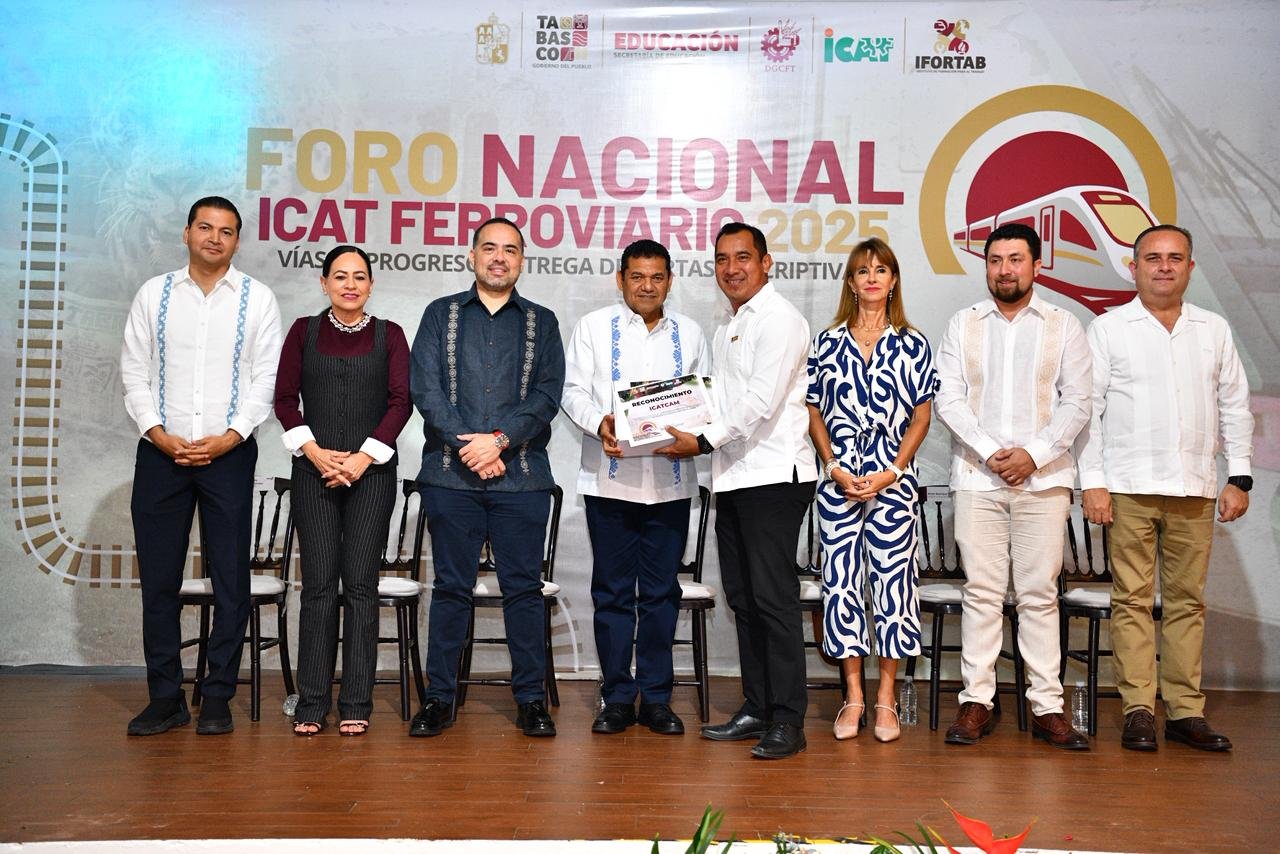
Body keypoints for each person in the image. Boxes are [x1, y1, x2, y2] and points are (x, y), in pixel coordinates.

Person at [1076, 224, 1252, 752]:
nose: (1164, 267)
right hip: (1128, 485)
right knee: (1131, 601)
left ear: (1191, 267)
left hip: (1195, 486)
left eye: (1175, 258)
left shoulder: (1213, 329)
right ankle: (1137, 709)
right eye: (1153, 258)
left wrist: (1239, 476)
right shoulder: (1108, 329)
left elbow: (1235, 405)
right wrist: (1093, 483)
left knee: (1186, 603)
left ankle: (1185, 711)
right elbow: (1088, 412)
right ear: (1133, 268)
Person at [120, 196, 283, 736]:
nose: (215, 238)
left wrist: (228, 438)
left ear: (237, 241)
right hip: (160, 455)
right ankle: (165, 698)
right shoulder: (154, 294)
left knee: (231, 582)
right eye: (206, 227)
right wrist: (159, 434)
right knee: (160, 582)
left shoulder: (258, 299)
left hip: (228, 457)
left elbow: (265, 380)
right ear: (187, 233)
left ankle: (217, 697)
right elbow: (134, 371)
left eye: (227, 231)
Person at [934, 221, 1091, 750]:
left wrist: (1033, 456)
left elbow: (1078, 402)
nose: (1005, 270)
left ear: (1037, 265)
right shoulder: (963, 324)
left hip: (1043, 482)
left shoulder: (1064, 325)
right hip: (977, 478)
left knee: (1039, 595)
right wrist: (991, 453)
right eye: (996, 260)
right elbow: (948, 398)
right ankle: (977, 700)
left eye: (1015, 259)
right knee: (980, 591)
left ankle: (1047, 706)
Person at [662, 222, 816, 759]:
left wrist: (701, 441)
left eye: (743, 257)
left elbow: (759, 403)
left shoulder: (779, 319)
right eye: (722, 259)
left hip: (772, 478)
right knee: (744, 600)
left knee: (773, 600)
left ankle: (788, 720)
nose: (732, 268)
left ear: (766, 263)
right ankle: (759, 706)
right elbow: (714, 401)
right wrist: (664, 423)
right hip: (732, 477)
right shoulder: (730, 324)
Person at [408, 217, 565, 738]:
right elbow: (426, 390)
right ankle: (439, 700)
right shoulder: (440, 315)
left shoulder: (543, 322)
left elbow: (547, 396)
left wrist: (497, 441)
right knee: (451, 589)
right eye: (490, 248)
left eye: (511, 250)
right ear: (471, 256)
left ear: (522, 261)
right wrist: (471, 447)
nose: (500, 258)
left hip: (521, 478)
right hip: (450, 479)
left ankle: (531, 702)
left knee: (523, 592)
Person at [562, 239, 711, 736]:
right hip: (610, 483)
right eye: (637, 276)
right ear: (621, 278)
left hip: (670, 485)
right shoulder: (593, 327)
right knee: (612, 593)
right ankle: (617, 697)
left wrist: (693, 435)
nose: (647, 286)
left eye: (657, 277)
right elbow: (572, 392)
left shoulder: (690, 333)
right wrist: (598, 422)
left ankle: (658, 699)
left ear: (670, 280)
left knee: (661, 594)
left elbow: (704, 396)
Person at [273, 245, 411, 736]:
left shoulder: (390, 335)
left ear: (371, 285)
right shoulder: (303, 331)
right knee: (317, 586)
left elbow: (401, 402)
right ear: (324, 283)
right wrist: (315, 454)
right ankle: (312, 702)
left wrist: (360, 459)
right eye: (340, 276)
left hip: (371, 475)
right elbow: (284, 400)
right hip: (314, 472)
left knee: (360, 586)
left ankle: (356, 701)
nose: (349, 285)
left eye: (359, 277)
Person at [806, 237, 936, 743]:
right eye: (863, 270)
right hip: (839, 483)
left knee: (893, 587)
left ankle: (886, 698)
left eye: (881, 269)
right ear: (851, 282)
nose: (872, 278)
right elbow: (814, 411)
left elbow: (921, 417)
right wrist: (834, 467)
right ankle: (853, 696)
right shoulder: (827, 342)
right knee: (841, 587)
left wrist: (893, 471)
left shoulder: (913, 343)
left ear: (894, 279)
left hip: (893, 483)